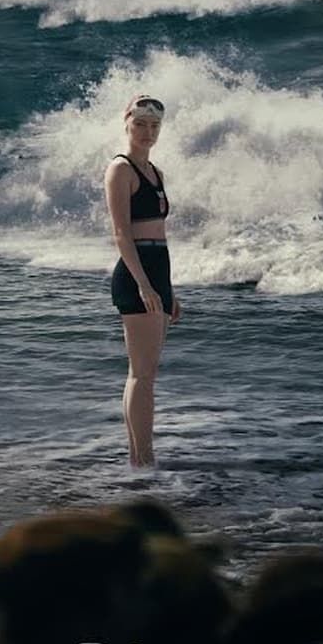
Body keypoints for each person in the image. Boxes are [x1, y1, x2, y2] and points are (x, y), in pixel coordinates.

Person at [104, 94, 182, 469]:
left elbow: (160, 234)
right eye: (141, 125)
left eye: (154, 126)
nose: (148, 132)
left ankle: (139, 458)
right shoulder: (120, 170)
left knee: (145, 373)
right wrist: (145, 286)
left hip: (158, 271)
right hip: (137, 274)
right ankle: (143, 461)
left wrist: (168, 289)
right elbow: (122, 233)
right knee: (142, 374)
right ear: (127, 124)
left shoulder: (156, 173)